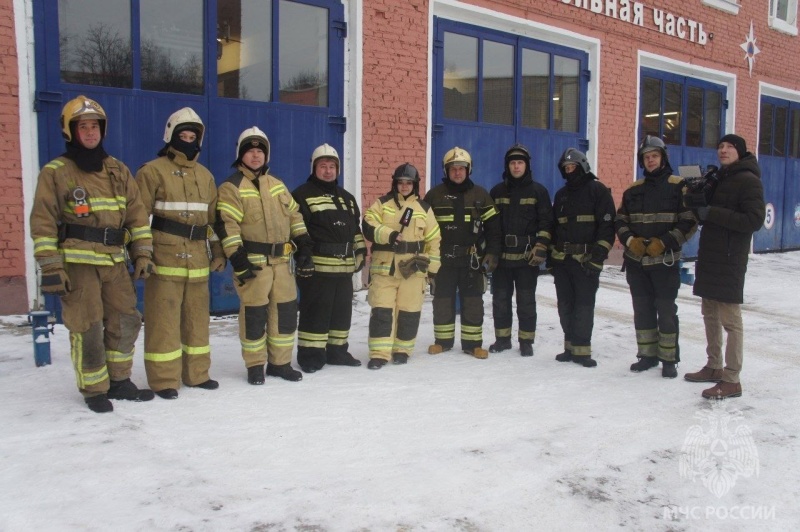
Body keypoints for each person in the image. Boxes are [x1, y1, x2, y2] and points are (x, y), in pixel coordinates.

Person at [30, 95, 155, 413]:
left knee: (125, 320)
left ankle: (119, 381)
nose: (90, 132)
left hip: (114, 262)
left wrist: (142, 253)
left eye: (95, 126)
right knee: (86, 327)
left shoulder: (118, 170)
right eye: (82, 126)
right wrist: (50, 265)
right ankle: (94, 388)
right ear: (71, 131)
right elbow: (43, 221)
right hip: (78, 262)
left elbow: (137, 217)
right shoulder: (56, 172)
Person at [135, 108, 226, 399]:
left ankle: (197, 374)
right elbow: (139, 219)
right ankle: (164, 380)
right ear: (170, 137)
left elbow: (212, 222)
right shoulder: (151, 171)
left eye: (193, 136)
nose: (188, 141)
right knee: (163, 322)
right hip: (164, 261)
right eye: (182, 136)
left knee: (197, 321)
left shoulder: (206, 176)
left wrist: (218, 252)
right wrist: (142, 256)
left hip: (198, 262)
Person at [215, 127, 313, 385]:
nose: (256, 156)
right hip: (253, 263)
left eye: (260, 151)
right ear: (241, 156)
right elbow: (227, 224)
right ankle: (255, 365)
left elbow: (295, 216)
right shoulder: (231, 187)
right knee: (254, 316)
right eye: (250, 151)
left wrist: (304, 245)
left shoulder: (277, 184)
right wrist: (236, 257)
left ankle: (280, 364)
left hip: (282, 263)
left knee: (285, 314)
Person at [684, 134, 765, 399]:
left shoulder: (749, 181)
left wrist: (712, 212)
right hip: (709, 255)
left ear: (740, 152)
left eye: (729, 147)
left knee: (731, 320)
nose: (723, 150)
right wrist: (695, 199)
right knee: (709, 314)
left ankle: (732, 379)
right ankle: (714, 365)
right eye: (720, 146)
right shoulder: (719, 178)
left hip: (730, 258)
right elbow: (704, 213)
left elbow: (753, 219)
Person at [615, 136, 698, 378]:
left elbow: (689, 222)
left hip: (665, 263)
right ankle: (647, 355)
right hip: (636, 263)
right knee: (642, 310)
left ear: (663, 158)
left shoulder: (679, 186)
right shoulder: (633, 189)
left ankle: (669, 359)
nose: (651, 161)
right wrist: (631, 241)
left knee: (666, 311)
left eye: (655, 156)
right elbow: (621, 220)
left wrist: (664, 242)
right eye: (647, 157)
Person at [292, 144, 367, 373]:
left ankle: (337, 351)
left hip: (343, 269)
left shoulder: (347, 198)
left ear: (338, 169)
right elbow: (296, 228)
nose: (327, 171)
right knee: (316, 312)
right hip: (317, 268)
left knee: (341, 313)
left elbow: (355, 228)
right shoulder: (302, 194)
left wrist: (361, 251)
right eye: (323, 166)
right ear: (314, 168)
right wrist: (302, 255)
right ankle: (311, 355)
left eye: (332, 166)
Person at [424, 147, 501, 359]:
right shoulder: (434, 196)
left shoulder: (480, 195)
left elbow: (494, 228)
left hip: (471, 261)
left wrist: (492, 254)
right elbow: (422, 228)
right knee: (442, 300)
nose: (457, 173)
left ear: (469, 170)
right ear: (446, 170)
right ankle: (442, 342)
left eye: (461, 169)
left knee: (473, 302)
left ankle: (473, 344)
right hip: (443, 261)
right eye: (453, 169)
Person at [362, 163, 441, 369]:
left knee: (409, 311)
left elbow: (434, 239)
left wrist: (432, 270)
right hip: (384, 269)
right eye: (401, 182)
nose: (404, 186)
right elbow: (368, 224)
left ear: (415, 185)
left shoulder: (424, 209)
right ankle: (379, 354)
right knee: (381, 311)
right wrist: (389, 235)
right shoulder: (382, 203)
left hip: (414, 270)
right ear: (395, 183)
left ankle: (402, 350)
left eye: (409, 183)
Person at [550, 148, 615, 367]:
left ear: (583, 167)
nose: (569, 171)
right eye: (566, 168)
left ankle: (582, 351)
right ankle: (569, 347)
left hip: (586, 260)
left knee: (584, 306)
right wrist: (552, 258)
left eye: (573, 167)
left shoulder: (598, 191)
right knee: (565, 305)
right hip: (563, 261)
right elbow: (554, 228)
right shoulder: (561, 195)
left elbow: (607, 226)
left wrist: (598, 256)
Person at [488, 144, 553, 357]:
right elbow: (491, 226)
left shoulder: (538, 191)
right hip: (502, 259)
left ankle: (526, 341)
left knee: (526, 301)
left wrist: (541, 247)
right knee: (500, 299)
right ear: (508, 166)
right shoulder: (496, 192)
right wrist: (491, 252)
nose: (516, 167)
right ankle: (502, 339)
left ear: (527, 165)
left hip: (527, 258)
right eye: (513, 163)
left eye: (520, 162)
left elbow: (546, 223)